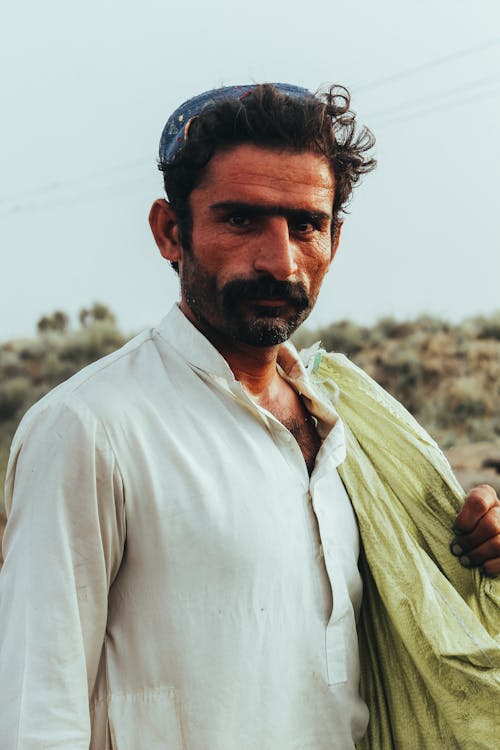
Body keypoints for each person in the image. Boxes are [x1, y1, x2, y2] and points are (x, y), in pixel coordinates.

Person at [0, 83, 499, 750]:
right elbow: (38, 712)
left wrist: (467, 546)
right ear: (171, 231)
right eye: (240, 220)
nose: (279, 260)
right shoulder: (91, 429)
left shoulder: (353, 427)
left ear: (335, 238)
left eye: (306, 225)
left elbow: (420, 623)